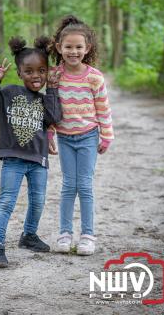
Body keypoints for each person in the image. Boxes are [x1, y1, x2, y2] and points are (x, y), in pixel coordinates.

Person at [0, 36, 62, 268]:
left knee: (38, 201)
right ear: (19, 73)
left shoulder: (45, 100)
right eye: (29, 71)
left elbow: (55, 117)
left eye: (42, 71)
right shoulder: (7, 94)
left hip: (38, 159)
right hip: (13, 159)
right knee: (6, 202)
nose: (36, 76)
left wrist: (53, 89)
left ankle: (29, 236)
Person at [48, 15, 114, 255]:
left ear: (87, 48)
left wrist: (106, 136)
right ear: (59, 48)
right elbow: (51, 107)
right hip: (65, 138)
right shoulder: (55, 75)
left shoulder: (94, 77)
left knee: (84, 186)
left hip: (88, 136)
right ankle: (65, 234)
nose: (73, 51)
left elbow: (103, 108)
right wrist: (49, 134)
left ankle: (87, 235)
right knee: (68, 186)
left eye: (78, 47)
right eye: (68, 47)